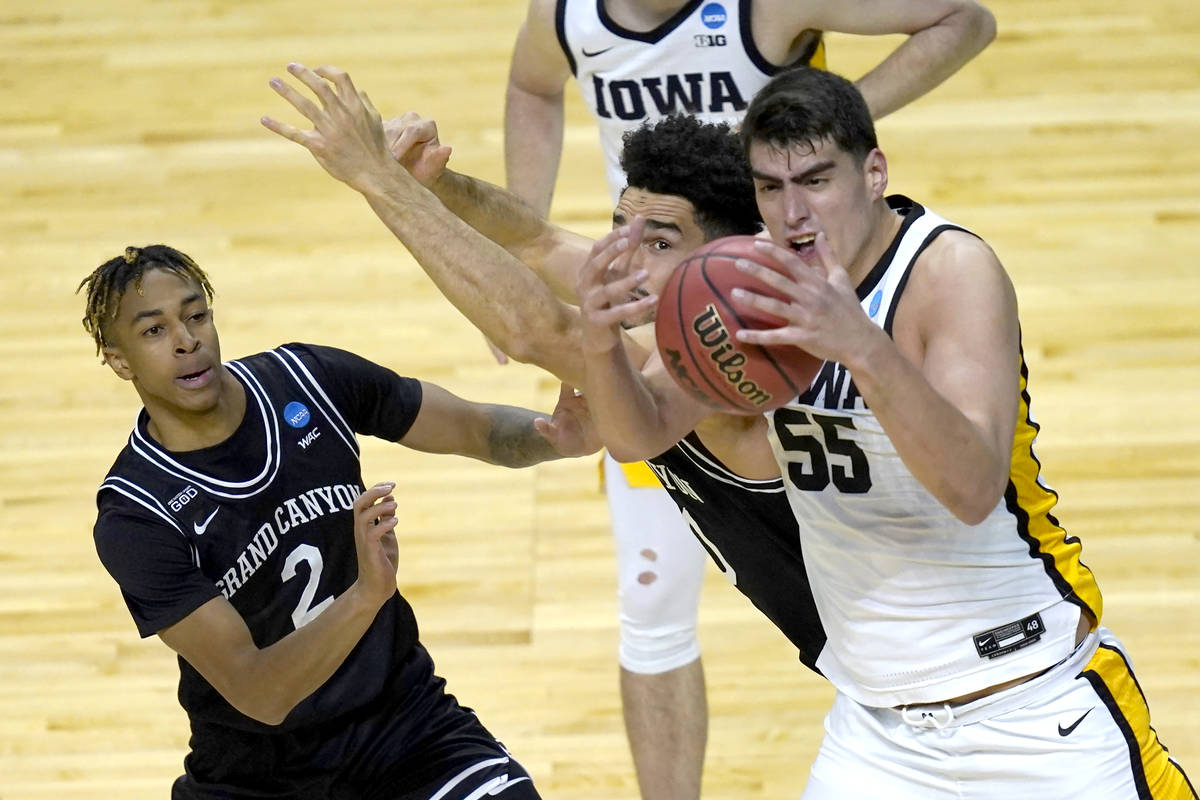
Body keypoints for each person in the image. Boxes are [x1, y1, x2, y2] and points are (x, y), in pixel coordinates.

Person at [574, 65, 1196, 797]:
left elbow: (972, 487)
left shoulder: (949, 271)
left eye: (815, 181)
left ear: (874, 173)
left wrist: (861, 346)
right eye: (770, 188)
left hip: (1035, 708)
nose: (793, 212)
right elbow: (640, 435)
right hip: (878, 736)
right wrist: (598, 343)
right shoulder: (755, 284)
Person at [261, 63, 828, 798]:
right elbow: (533, 238)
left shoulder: (726, 355)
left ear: (729, 258)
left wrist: (377, 179)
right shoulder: (676, 299)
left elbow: (538, 330)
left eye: (660, 243)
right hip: (874, 678)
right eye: (620, 227)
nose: (621, 259)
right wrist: (434, 183)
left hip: (944, 674)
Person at [506, 2, 994, 792]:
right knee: (651, 597)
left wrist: (830, 130)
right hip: (667, 318)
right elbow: (532, 89)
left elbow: (966, 22)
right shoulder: (568, 16)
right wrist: (528, 225)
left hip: (778, 303)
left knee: (877, 560)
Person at [79, 244, 598, 798]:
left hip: (405, 729)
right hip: (260, 778)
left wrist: (554, 438)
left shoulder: (307, 380)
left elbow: (476, 428)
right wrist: (365, 596)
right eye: (154, 331)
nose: (187, 340)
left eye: (196, 315)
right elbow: (260, 693)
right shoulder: (137, 515)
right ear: (120, 361)